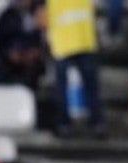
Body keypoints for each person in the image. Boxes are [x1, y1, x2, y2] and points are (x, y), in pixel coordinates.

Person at [45, 0, 104, 138]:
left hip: (67, 44)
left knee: (66, 87)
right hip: (77, 42)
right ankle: (95, 124)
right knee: (88, 87)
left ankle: (66, 124)